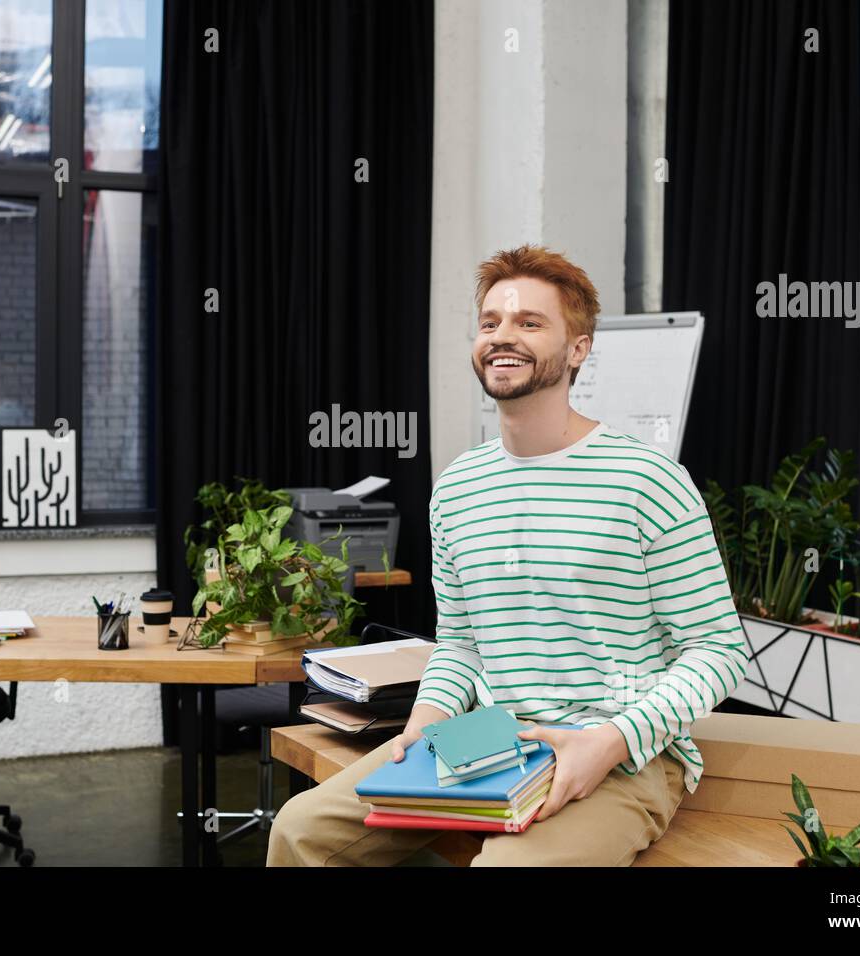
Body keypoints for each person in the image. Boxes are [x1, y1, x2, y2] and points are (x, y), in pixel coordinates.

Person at [268, 245, 748, 866]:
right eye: (491, 321)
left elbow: (718, 648)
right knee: (298, 829)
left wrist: (610, 740)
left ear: (578, 349)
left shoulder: (647, 480)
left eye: (530, 322)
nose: (503, 336)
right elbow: (462, 643)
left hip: (624, 754)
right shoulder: (459, 487)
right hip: (488, 740)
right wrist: (423, 724)